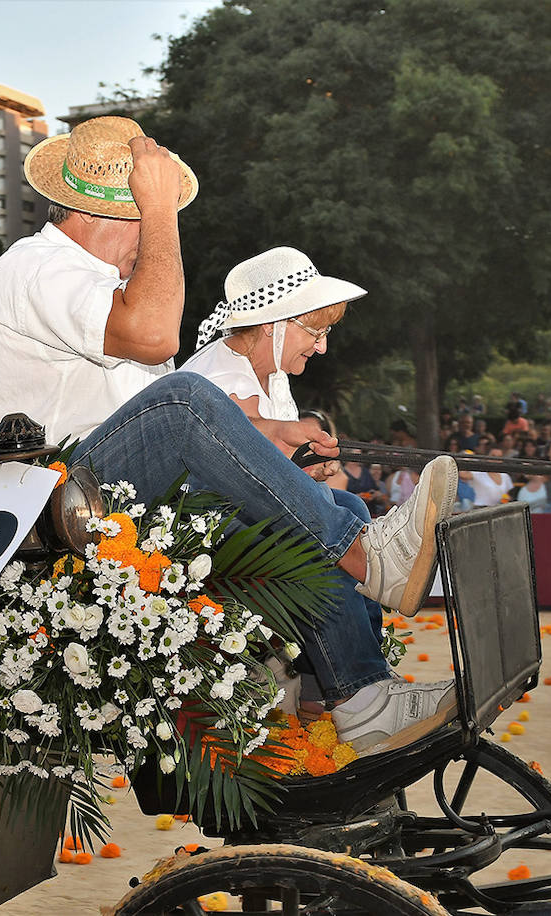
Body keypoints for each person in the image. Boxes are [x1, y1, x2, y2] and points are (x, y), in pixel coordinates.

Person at [0, 115, 459, 755]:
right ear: (123, 210)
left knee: (326, 504)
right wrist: (160, 211)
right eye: (156, 215)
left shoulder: (97, 285)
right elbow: (158, 348)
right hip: (47, 516)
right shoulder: (37, 264)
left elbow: (159, 407)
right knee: (187, 400)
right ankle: (369, 561)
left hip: (100, 504)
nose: (165, 236)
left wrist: (260, 444)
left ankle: (359, 698)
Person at [181, 252, 401, 720]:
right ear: (270, 324)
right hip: (206, 543)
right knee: (318, 532)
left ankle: (337, 683)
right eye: (315, 332)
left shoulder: (271, 377)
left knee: (350, 508)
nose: (321, 348)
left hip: (238, 524)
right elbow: (247, 470)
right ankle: (353, 690)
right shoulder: (221, 376)